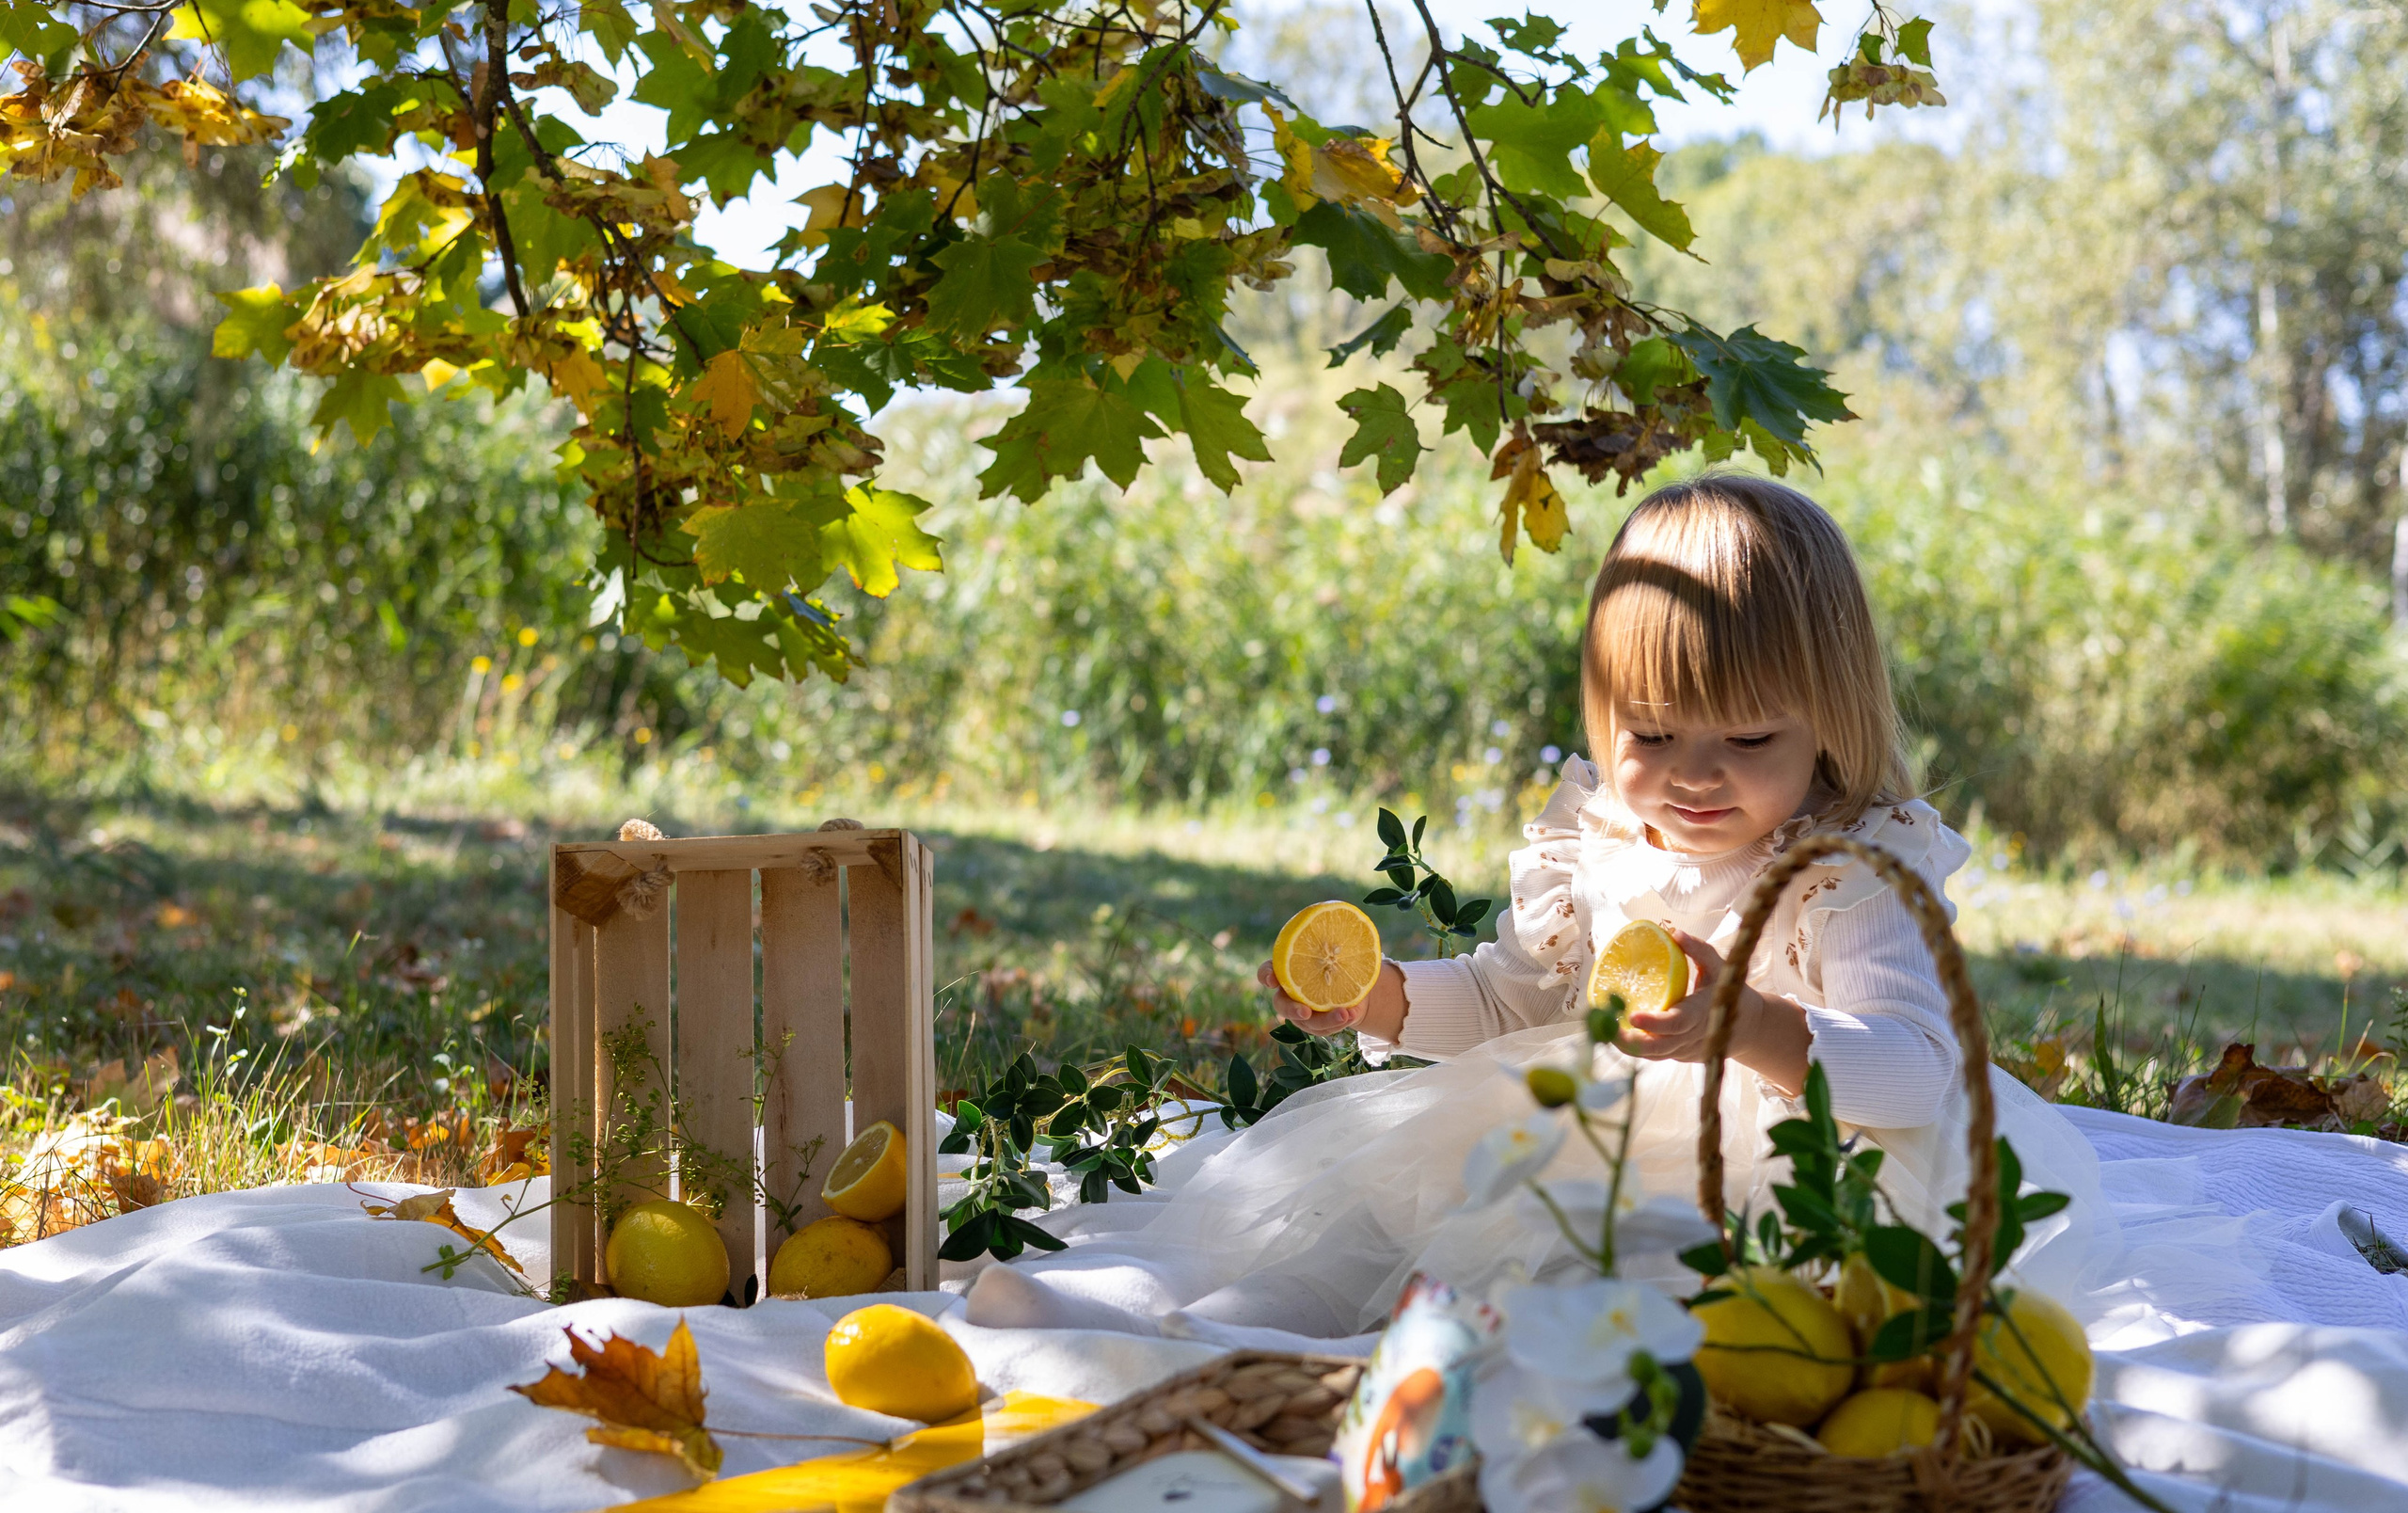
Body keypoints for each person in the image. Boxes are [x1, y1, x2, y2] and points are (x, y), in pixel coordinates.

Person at [963, 473, 2110, 1345]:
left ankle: (1281, 1346)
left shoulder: (1847, 871)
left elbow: (1921, 1069)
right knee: (1378, 1208)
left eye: (1748, 740)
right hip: (1570, 1118)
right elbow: (1520, 999)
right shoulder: (1599, 841)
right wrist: (1391, 996)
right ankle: (1177, 1318)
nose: (1693, 775)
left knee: (1540, 1272)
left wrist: (1747, 1028)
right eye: (1650, 738)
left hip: (1774, 1175)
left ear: (1830, 721)